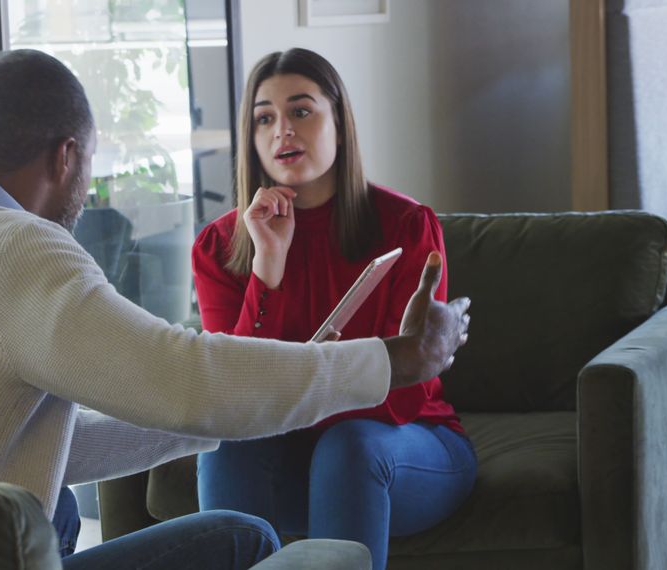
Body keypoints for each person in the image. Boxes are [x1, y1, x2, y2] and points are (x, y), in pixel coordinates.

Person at [0, 49, 470, 570]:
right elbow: (189, 377)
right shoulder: (20, 248)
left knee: (51, 503)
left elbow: (48, 440)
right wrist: (393, 359)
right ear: (67, 156)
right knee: (240, 538)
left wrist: (210, 423)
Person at [191, 48, 477, 570]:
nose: (282, 130)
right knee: (229, 445)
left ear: (340, 125)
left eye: (301, 111)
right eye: (264, 118)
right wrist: (267, 268)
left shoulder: (406, 225)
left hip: (406, 448)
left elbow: (403, 396)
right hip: (287, 458)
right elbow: (233, 395)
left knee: (348, 446)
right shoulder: (217, 247)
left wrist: (296, 388)